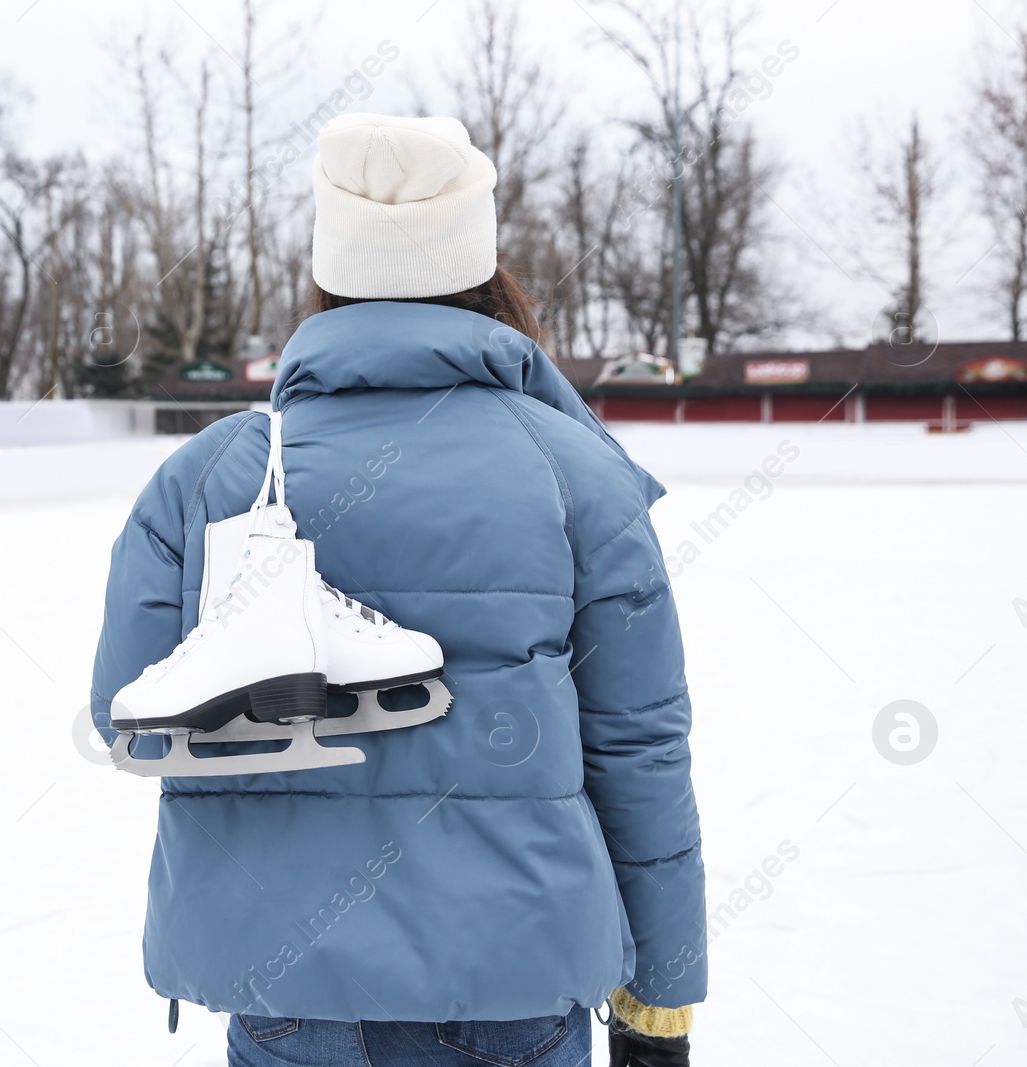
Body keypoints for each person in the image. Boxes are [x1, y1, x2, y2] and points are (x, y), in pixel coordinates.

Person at [91, 113, 705, 1067]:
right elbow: (640, 752)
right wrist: (659, 1009)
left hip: (286, 994)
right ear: (482, 270)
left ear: (329, 275)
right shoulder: (574, 472)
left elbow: (125, 711)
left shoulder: (211, 477)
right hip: (514, 986)